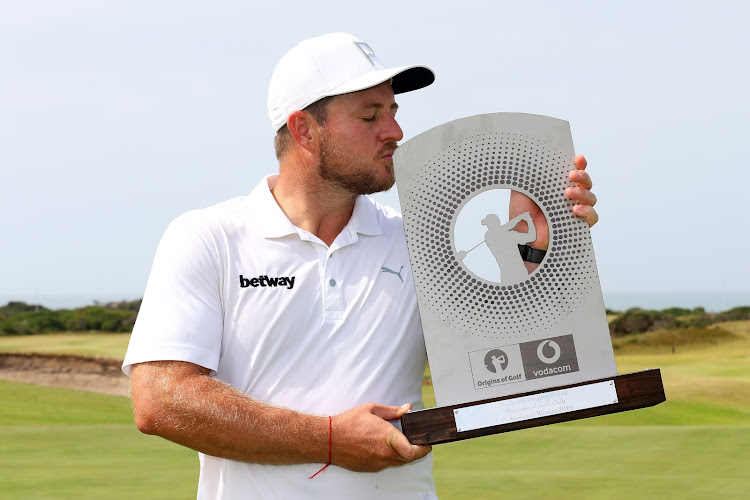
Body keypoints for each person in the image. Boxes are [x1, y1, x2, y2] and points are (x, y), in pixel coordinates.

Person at [122, 32, 599, 499]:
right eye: (370, 116)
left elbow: (521, 360)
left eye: (393, 112)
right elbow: (161, 400)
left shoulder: (424, 241)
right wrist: (329, 439)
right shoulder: (209, 237)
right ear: (304, 130)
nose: (394, 132)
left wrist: (548, 233)